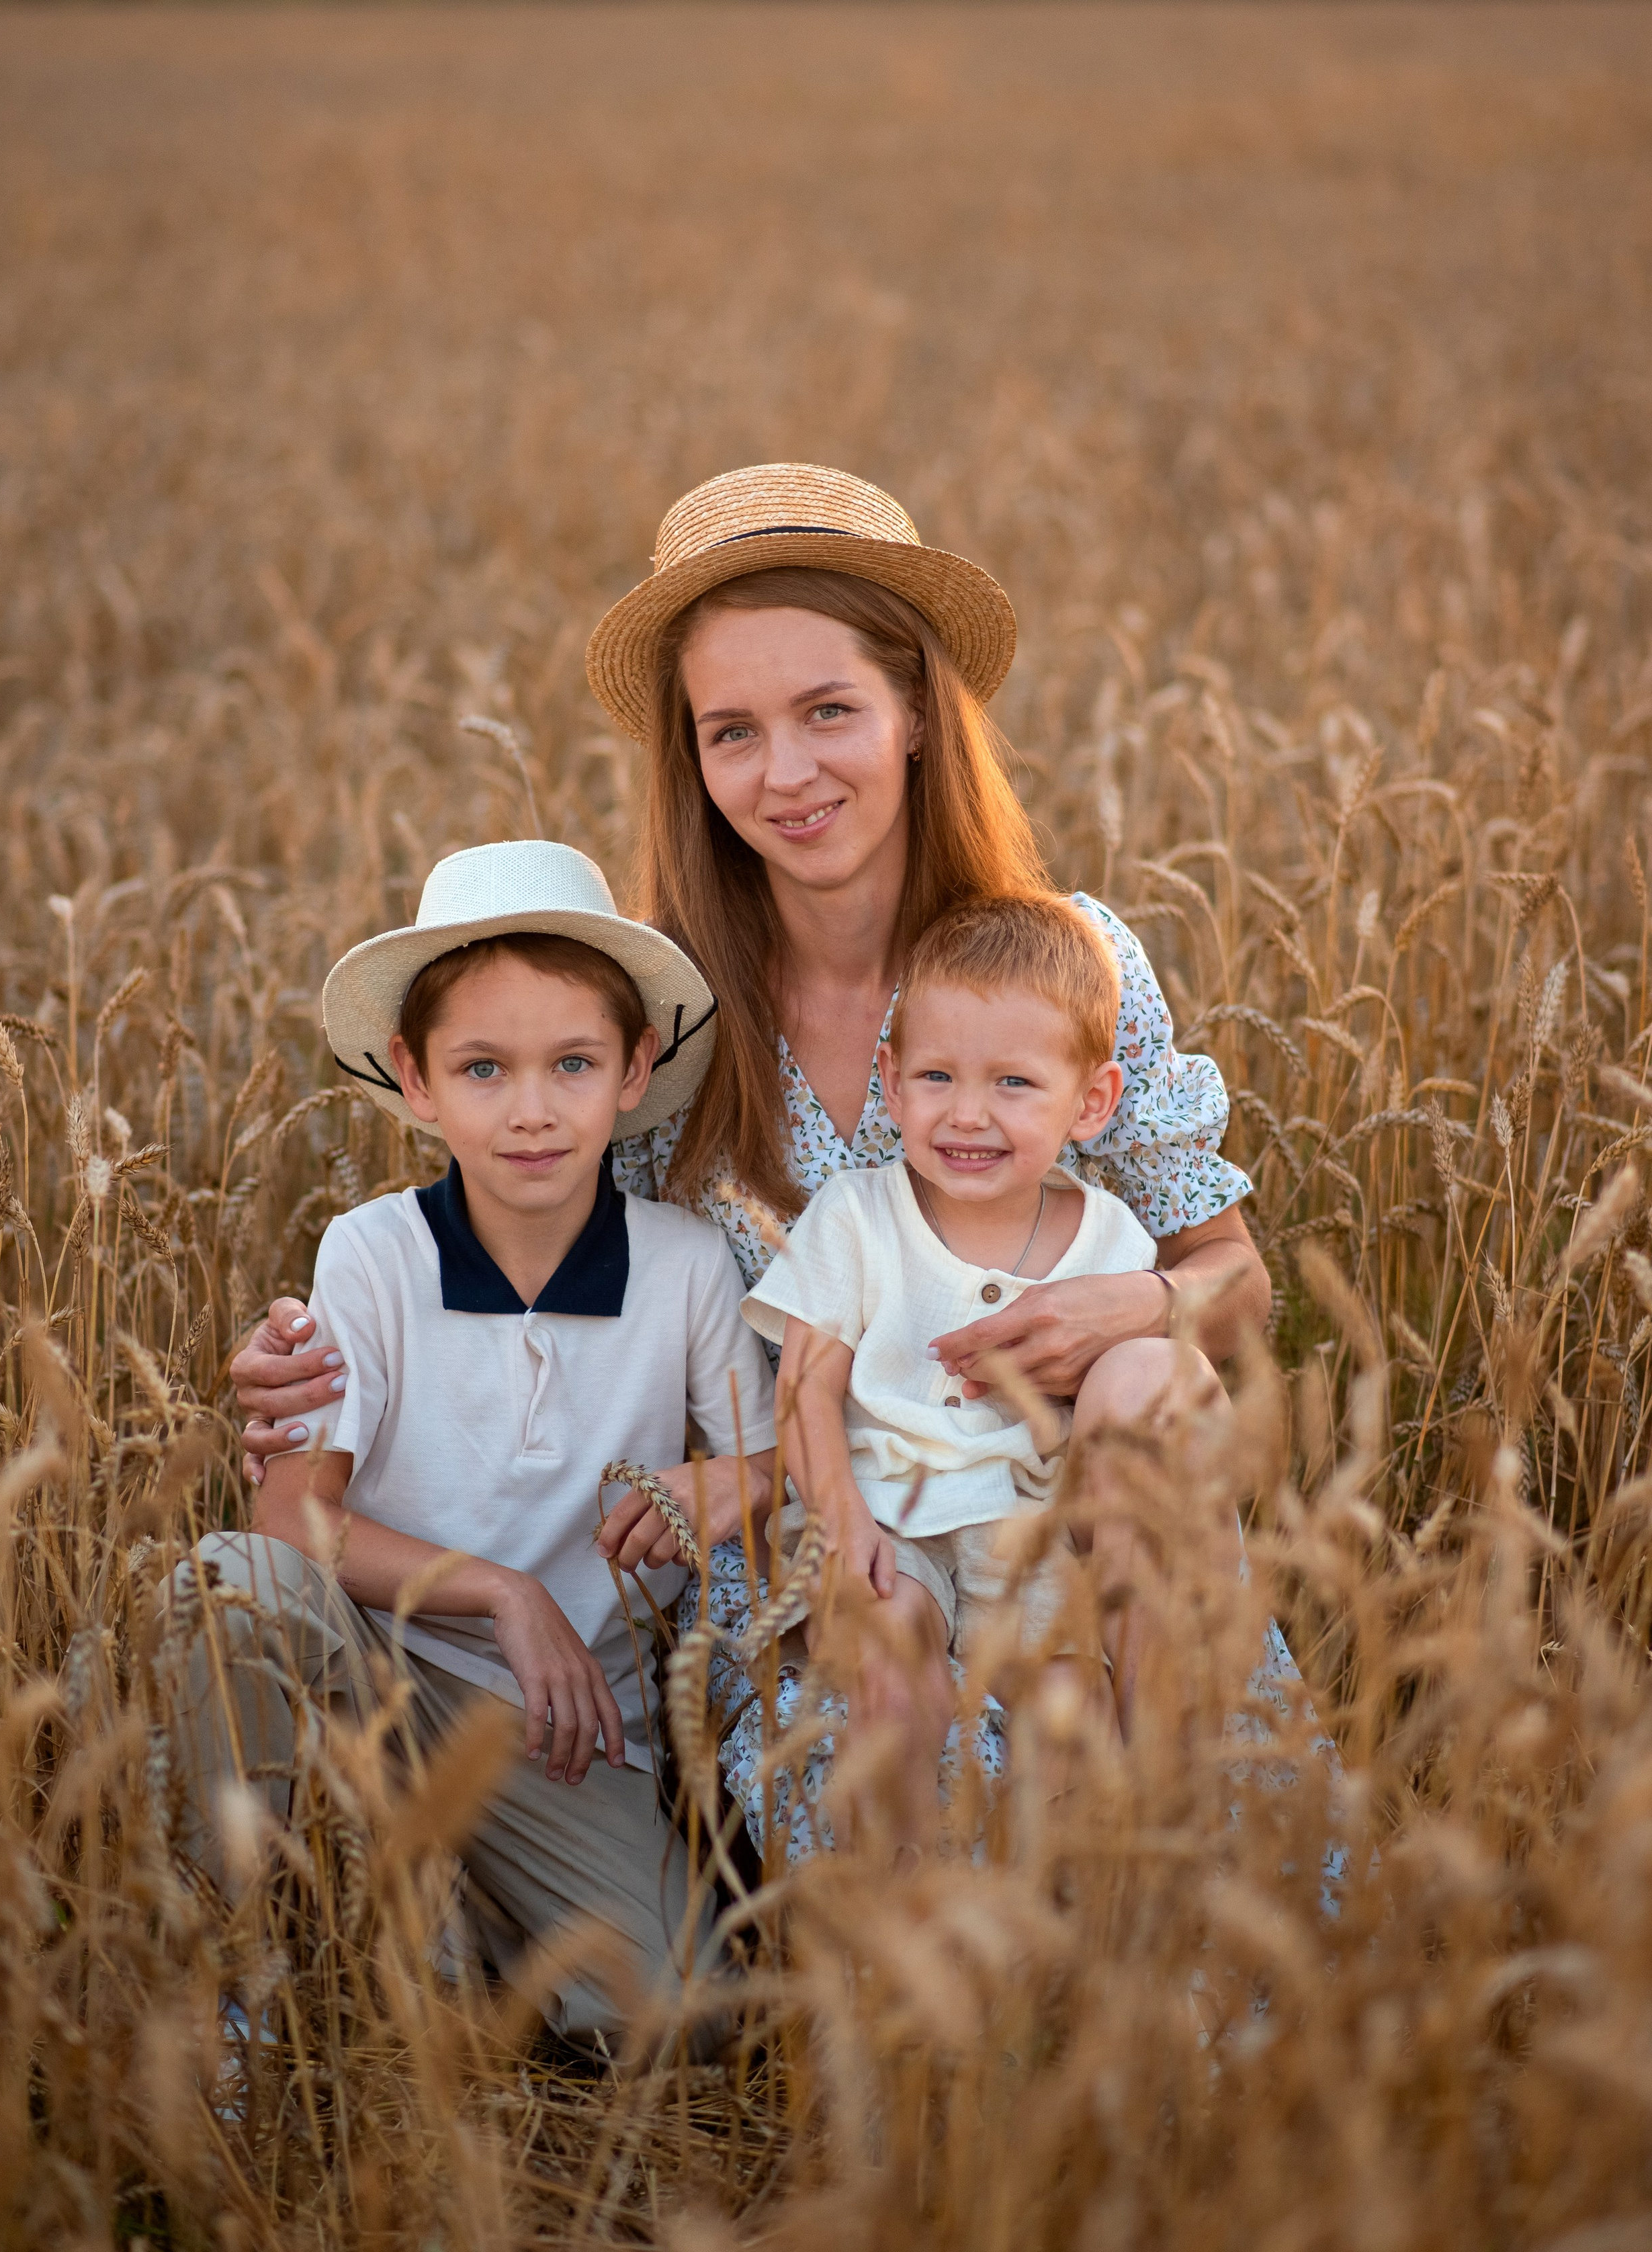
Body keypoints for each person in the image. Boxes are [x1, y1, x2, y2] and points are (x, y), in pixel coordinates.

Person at [232, 464, 1298, 1862]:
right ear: (692, 759)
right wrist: (320, 1377)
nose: (785, 773)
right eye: (732, 731)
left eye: (828, 711)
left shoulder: (1061, 964)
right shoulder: (671, 1027)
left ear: (915, 710)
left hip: (1071, 1519)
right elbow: (571, 1308)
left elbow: (1230, 1276)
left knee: (1151, 1390)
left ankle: (1177, 1875)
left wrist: (1140, 1305)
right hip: (834, 1565)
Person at [171, 838, 777, 2044]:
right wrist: (502, 1591)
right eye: (484, 1068)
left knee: (681, 2020)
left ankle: (445, 1921)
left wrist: (724, 1477)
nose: (533, 1111)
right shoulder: (375, 1252)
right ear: (416, 1079)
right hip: (375, 1670)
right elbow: (290, 1521)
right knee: (234, 1587)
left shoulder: (688, 1267)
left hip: (560, 1734)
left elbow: (770, 1470)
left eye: (573, 1065)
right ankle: (238, 1974)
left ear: (635, 1068)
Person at [746, 894, 1225, 1817]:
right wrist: (839, 1521)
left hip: (1029, 1533)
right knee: (893, 1685)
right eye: (936, 1077)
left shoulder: (1112, 1242)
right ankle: (909, 1926)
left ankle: (1077, 1923)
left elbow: (1102, 1415)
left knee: (1068, 1726)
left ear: (1092, 1103)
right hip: (885, 1520)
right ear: (890, 1082)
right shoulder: (857, 1214)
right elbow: (806, 1384)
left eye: (1013, 1084)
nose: (968, 1116)